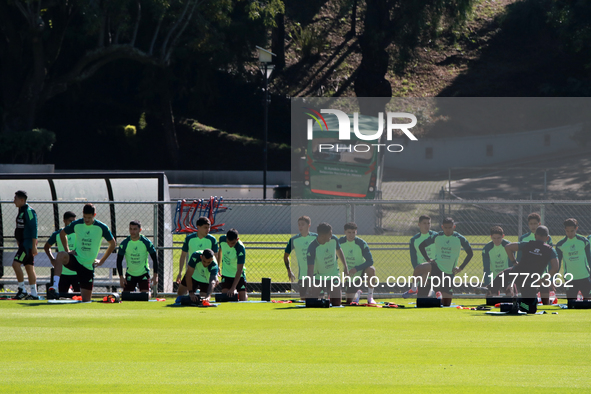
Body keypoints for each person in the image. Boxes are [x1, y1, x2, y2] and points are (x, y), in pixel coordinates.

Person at [51, 203, 117, 302]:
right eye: (85, 217)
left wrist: (101, 261)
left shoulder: (102, 227)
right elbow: (62, 233)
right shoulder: (77, 224)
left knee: (86, 300)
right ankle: (55, 286)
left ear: (94, 215)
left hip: (88, 266)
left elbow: (113, 244)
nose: (86, 220)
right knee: (61, 254)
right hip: (76, 260)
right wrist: (67, 251)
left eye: (89, 217)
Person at [488, 226, 559, 314]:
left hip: (516, 273)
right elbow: (555, 267)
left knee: (501, 276)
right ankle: (518, 302)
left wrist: (514, 262)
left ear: (535, 236)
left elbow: (508, 247)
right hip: (530, 281)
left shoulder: (527, 244)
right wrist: (543, 279)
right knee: (530, 309)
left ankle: (490, 291)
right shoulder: (550, 250)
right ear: (547, 238)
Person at [413, 217, 473, 306]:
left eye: (450, 227)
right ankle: (414, 288)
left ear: (454, 227)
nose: (447, 230)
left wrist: (461, 267)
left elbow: (470, 253)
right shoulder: (437, 236)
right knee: (419, 268)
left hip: (449, 273)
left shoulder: (460, 238)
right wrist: (428, 260)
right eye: (445, 228)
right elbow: (422, 246)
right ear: (442, 227)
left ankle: (434, 294)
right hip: (436, 268)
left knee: (446, 304)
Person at [306, 222, 349, 306]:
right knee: (311, 302)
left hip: (333, 276)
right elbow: (310, 269)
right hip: (318, 277)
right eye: (330, 233)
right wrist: (309, 284)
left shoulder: (334, 239)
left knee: (337, 303)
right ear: (322, 236)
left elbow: (339, 251)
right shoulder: (312, 247)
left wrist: (345, 266)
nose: (331, 234)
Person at [518, 212, 554, 304]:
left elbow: (551, 259)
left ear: (539, 224)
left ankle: (546, 312)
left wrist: (550, 278)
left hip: (542, 273)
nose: (533, 226)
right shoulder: (524, 238)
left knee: (545, 300)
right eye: (531, 224)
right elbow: (520, 257)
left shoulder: (547, 238)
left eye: (535, 223)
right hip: (527, 274)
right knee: (528, 301)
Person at [339, 222, 377, 304]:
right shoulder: (340, 242)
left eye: (353, 232)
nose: (351, 235)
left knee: (371, 269)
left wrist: (356, 268)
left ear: (356, 232)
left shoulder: (361, 243)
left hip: (361, 270)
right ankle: (357, 293)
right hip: (349, 273)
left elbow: (370, 261)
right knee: (349, 302)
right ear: (345, 232)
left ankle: (370, 297)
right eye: (349, 232)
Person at [117, 220, 159, 293]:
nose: (132, 231)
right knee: (126, 297)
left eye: (135, 229)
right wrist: (121, 277)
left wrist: (155, 276)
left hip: (143, 274)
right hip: (130, 274)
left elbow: (155, 259)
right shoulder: (124, 243)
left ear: (140, 230)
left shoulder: (146, 242)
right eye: (131, 229)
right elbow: (118, 261)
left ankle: (145, 291)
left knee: (145, 296)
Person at [44, 211, 80, 294]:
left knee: (80, 298)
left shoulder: (79, 233)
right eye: (71, 221)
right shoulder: (57, 234)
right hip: (62, 273)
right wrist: (52, 259)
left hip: (76, 272)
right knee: (61, 297)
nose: (73, 223)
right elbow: (46, 247)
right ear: (64, 221)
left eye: (74, 221)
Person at [12, 190, 39, 300]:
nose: (14, 201)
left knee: (15, 264)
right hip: (23, 243)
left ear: (22, 200)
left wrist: (34, 246)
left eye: (15, 199)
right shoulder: (21, 210)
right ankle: (34, 294)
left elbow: (34, 228)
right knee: (29, 267)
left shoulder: (29, 211)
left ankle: (22, 290)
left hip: (27, 244)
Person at [402, 215, 438, 298]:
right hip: (422, 272)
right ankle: (415, 289)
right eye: (424, 223)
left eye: (429, 223)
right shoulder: (414, 240)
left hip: (436, 270)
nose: (427, 225)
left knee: (439, 298)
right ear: (419, 224)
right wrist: (419, 272)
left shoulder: (436, 236)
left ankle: (435, 291)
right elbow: (414, 258)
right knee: (422, 299)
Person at [555, 218, 591, 301]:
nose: (570, 233)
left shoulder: (584, 242)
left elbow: (589, 258)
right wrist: (555, 278)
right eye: (567, 231)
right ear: (565, 230)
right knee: (571, 304)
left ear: (576, 229)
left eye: (572, 231)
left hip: (584, 277)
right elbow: (558, 263)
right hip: (569, 279)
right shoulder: (560, 245)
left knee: (588, 303)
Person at [283, 216, 317, 299]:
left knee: (316, 299)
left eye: (303, 224)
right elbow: (286, 256)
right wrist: (289, 271)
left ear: (309, 225)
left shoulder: (316, 237)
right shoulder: (294, 240)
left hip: (316, 275)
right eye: (299, 225)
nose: (300, 227)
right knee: (303, 299)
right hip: (303, 276)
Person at [176, 217, 218, 284]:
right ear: (198, 227)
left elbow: (216, 256)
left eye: (209, 227)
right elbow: (183, 256)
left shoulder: (212, 239)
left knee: (204, 294)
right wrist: (180, 272)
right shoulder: (189, 238)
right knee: (181, 292)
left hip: (206, 272)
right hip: (192, 270)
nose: (208, 230)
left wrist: (216, 270)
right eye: (205, 227)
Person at [218, 228, 248, 301]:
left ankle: (244, 294)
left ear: (237, 239)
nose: (230, 245)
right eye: (228, 242)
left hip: (238, 275)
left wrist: (233, 288)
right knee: (226, 297)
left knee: (242, 300)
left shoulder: (240, 248)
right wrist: (218, 266)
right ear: (226, 238)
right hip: (226, 274)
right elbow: (220, 252)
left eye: (233, 243)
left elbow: (239, 270)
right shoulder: (222, 239)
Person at [482, 226, 512, 295]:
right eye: (494, 238)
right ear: (491, 237)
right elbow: (486, 268)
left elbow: (511, 265)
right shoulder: (487, 248)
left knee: (511, 295)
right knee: (490, 297)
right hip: (494, 278)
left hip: (507, 276)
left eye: (499, 238)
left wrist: (511, 282)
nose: (496, 240)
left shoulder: (509, 246)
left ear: (503, 236)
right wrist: (487, 284)